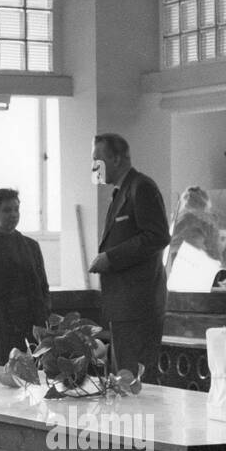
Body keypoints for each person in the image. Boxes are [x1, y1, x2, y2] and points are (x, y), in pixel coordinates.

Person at [89, 133, 170, 382]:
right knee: (123, 377)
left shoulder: (141, 187)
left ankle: (144, 422)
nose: (94, 167)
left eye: (97, 160)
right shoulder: (120, 192)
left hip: (138, 305)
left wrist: (111, 258)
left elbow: (157, 236)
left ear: (116, 159)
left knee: (135, 381)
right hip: (123, 305)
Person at [0, 188, 50, 366]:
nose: (13, 214)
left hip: (27, 326)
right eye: (7, 210)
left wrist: (42, 320)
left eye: (16, 209)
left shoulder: (31, 246)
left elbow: (42, 287)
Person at [166, 185, 222, 277]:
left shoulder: (175, 219)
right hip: (198, 271)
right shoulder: (205, 221)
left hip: (175, 272)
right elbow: (215, 253)